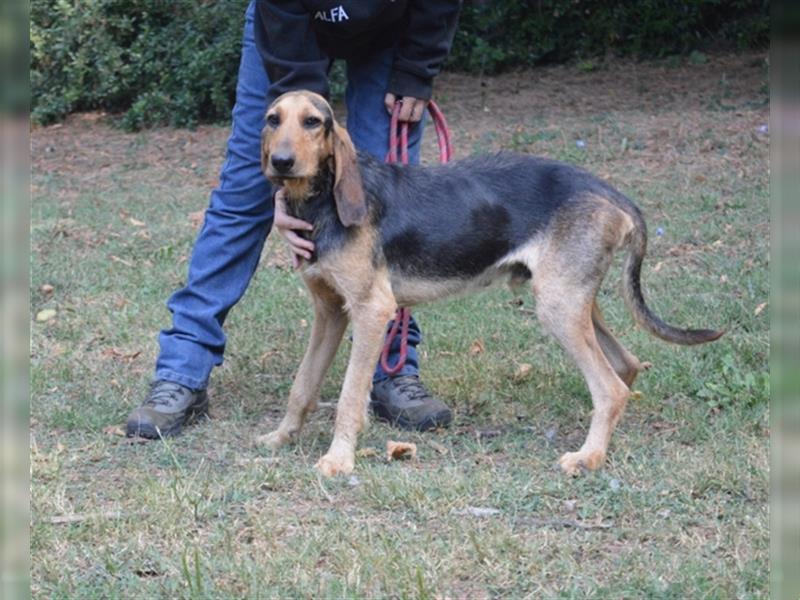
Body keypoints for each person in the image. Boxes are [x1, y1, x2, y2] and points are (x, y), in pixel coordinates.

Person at [126, 0, 463, 439]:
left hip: (393, 27)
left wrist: (417, 70)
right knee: (244, 195)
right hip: (288, 26)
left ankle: (393, 369)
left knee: (382, 195)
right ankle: (181, 372)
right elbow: (290, 131)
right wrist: (284, 187)